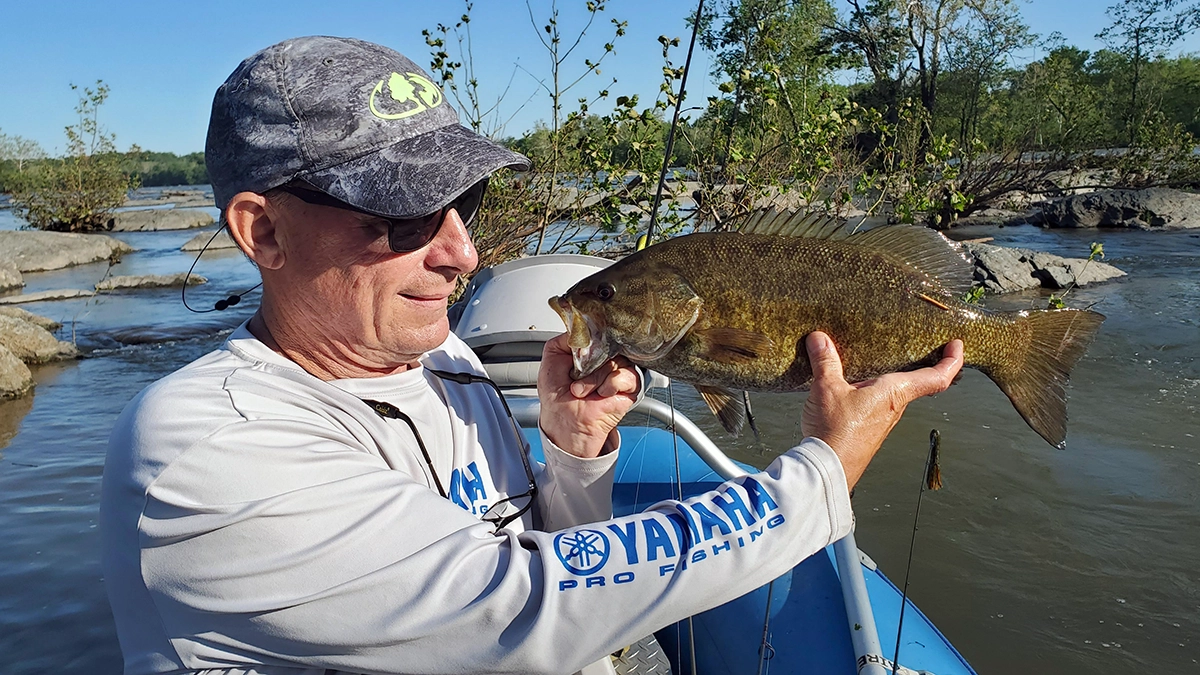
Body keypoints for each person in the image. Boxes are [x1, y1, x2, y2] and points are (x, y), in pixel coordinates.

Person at [100, 36, 964, 675]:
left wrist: (574, 455)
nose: (463, 253)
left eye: (464, 201)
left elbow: (550, 549)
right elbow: (521, 611)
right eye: (402, 216)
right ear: (264, 233)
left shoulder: (445, 364)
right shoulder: (204, 453)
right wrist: (822, 470)